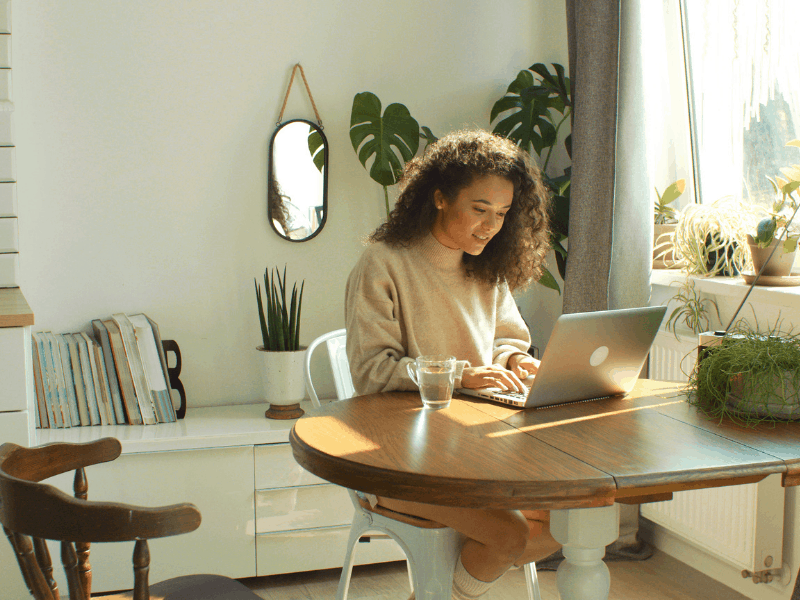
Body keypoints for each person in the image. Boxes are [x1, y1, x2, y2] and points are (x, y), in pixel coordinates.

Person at [344, 130, 561, 600]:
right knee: (511, 535)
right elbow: (372, 371)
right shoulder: (383, 263)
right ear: (439, 198)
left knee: (574, 518)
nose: (491, 226)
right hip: (397, 460)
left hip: (478, 447)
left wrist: (516, 362)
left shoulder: (486, 265)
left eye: (502, 214)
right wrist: (463, 373)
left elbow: (505, 339)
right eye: (479, 209)